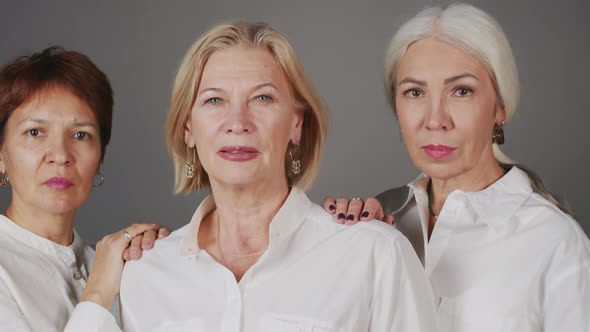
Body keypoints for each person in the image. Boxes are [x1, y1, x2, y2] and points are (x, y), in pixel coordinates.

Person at [68, 20, 438, 331]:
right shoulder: (143, 273)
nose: (237, 123)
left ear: (296, 124)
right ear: (188, 130)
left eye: (262, 98)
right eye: (214, 100)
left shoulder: (374, 253)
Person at [323, 3, 590, 331]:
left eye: (461, 91)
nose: (435, 119)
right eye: (415, 92)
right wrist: (339, 255)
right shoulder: (382, 216)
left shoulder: (554, 241)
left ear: (500, 107)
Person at [0, 46, 169, 331]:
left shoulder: (113, 263)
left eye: (81, 135)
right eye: (35, 132)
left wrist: (157, 257)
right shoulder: (104, 273)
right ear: (1, 154)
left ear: (100, 156)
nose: (60, 154)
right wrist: (99, 291)